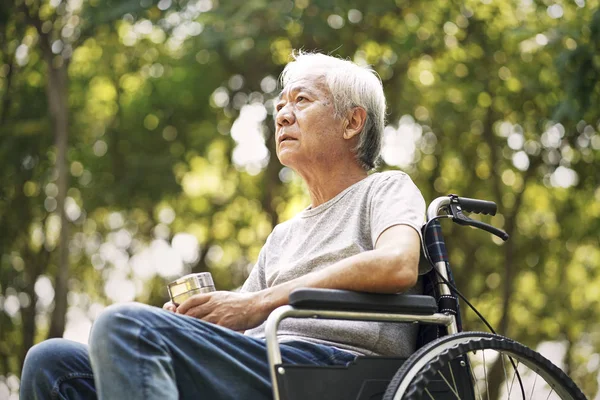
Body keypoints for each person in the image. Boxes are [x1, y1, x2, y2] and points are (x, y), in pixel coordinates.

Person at [20, 52, 425, 400]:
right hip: (267, 362)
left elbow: (399, 263)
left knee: (125, 325)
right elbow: (243, 320)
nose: (283, 115)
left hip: (337, 367)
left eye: (302, 100)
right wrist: (198, 321)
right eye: (280, 105)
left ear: (352, 122)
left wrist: (258, 303)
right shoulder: (284, 235)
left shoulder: (385, 189)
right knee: (51, 361)